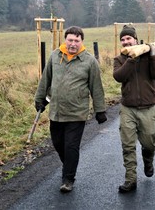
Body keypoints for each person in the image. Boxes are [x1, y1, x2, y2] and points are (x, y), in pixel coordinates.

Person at [34, 26, 107, 193]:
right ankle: (69, 166)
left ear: (81, 42)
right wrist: (39, 99)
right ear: (65, 40)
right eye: (70, 40)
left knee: (71, 146)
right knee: (59, 144)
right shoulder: (54, 56)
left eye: (76, 40)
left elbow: (96, 87)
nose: (73, 43)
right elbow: (45, 79)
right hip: (56, 111)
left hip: (77, 112)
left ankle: (68, 178)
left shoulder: (89, 61)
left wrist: (100, 110)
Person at [113, 25, 155, 193]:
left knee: (149, 144)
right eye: (123, 40)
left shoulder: (148, 55)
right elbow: (119, 77)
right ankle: (130, 180)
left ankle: (148, 161)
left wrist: (152, 55)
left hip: (147, 108)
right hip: (127, 108)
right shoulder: (119, 59)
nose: (126, 42)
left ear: (135, 38)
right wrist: (131, 59)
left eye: (128, 38)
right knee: (127, 146)